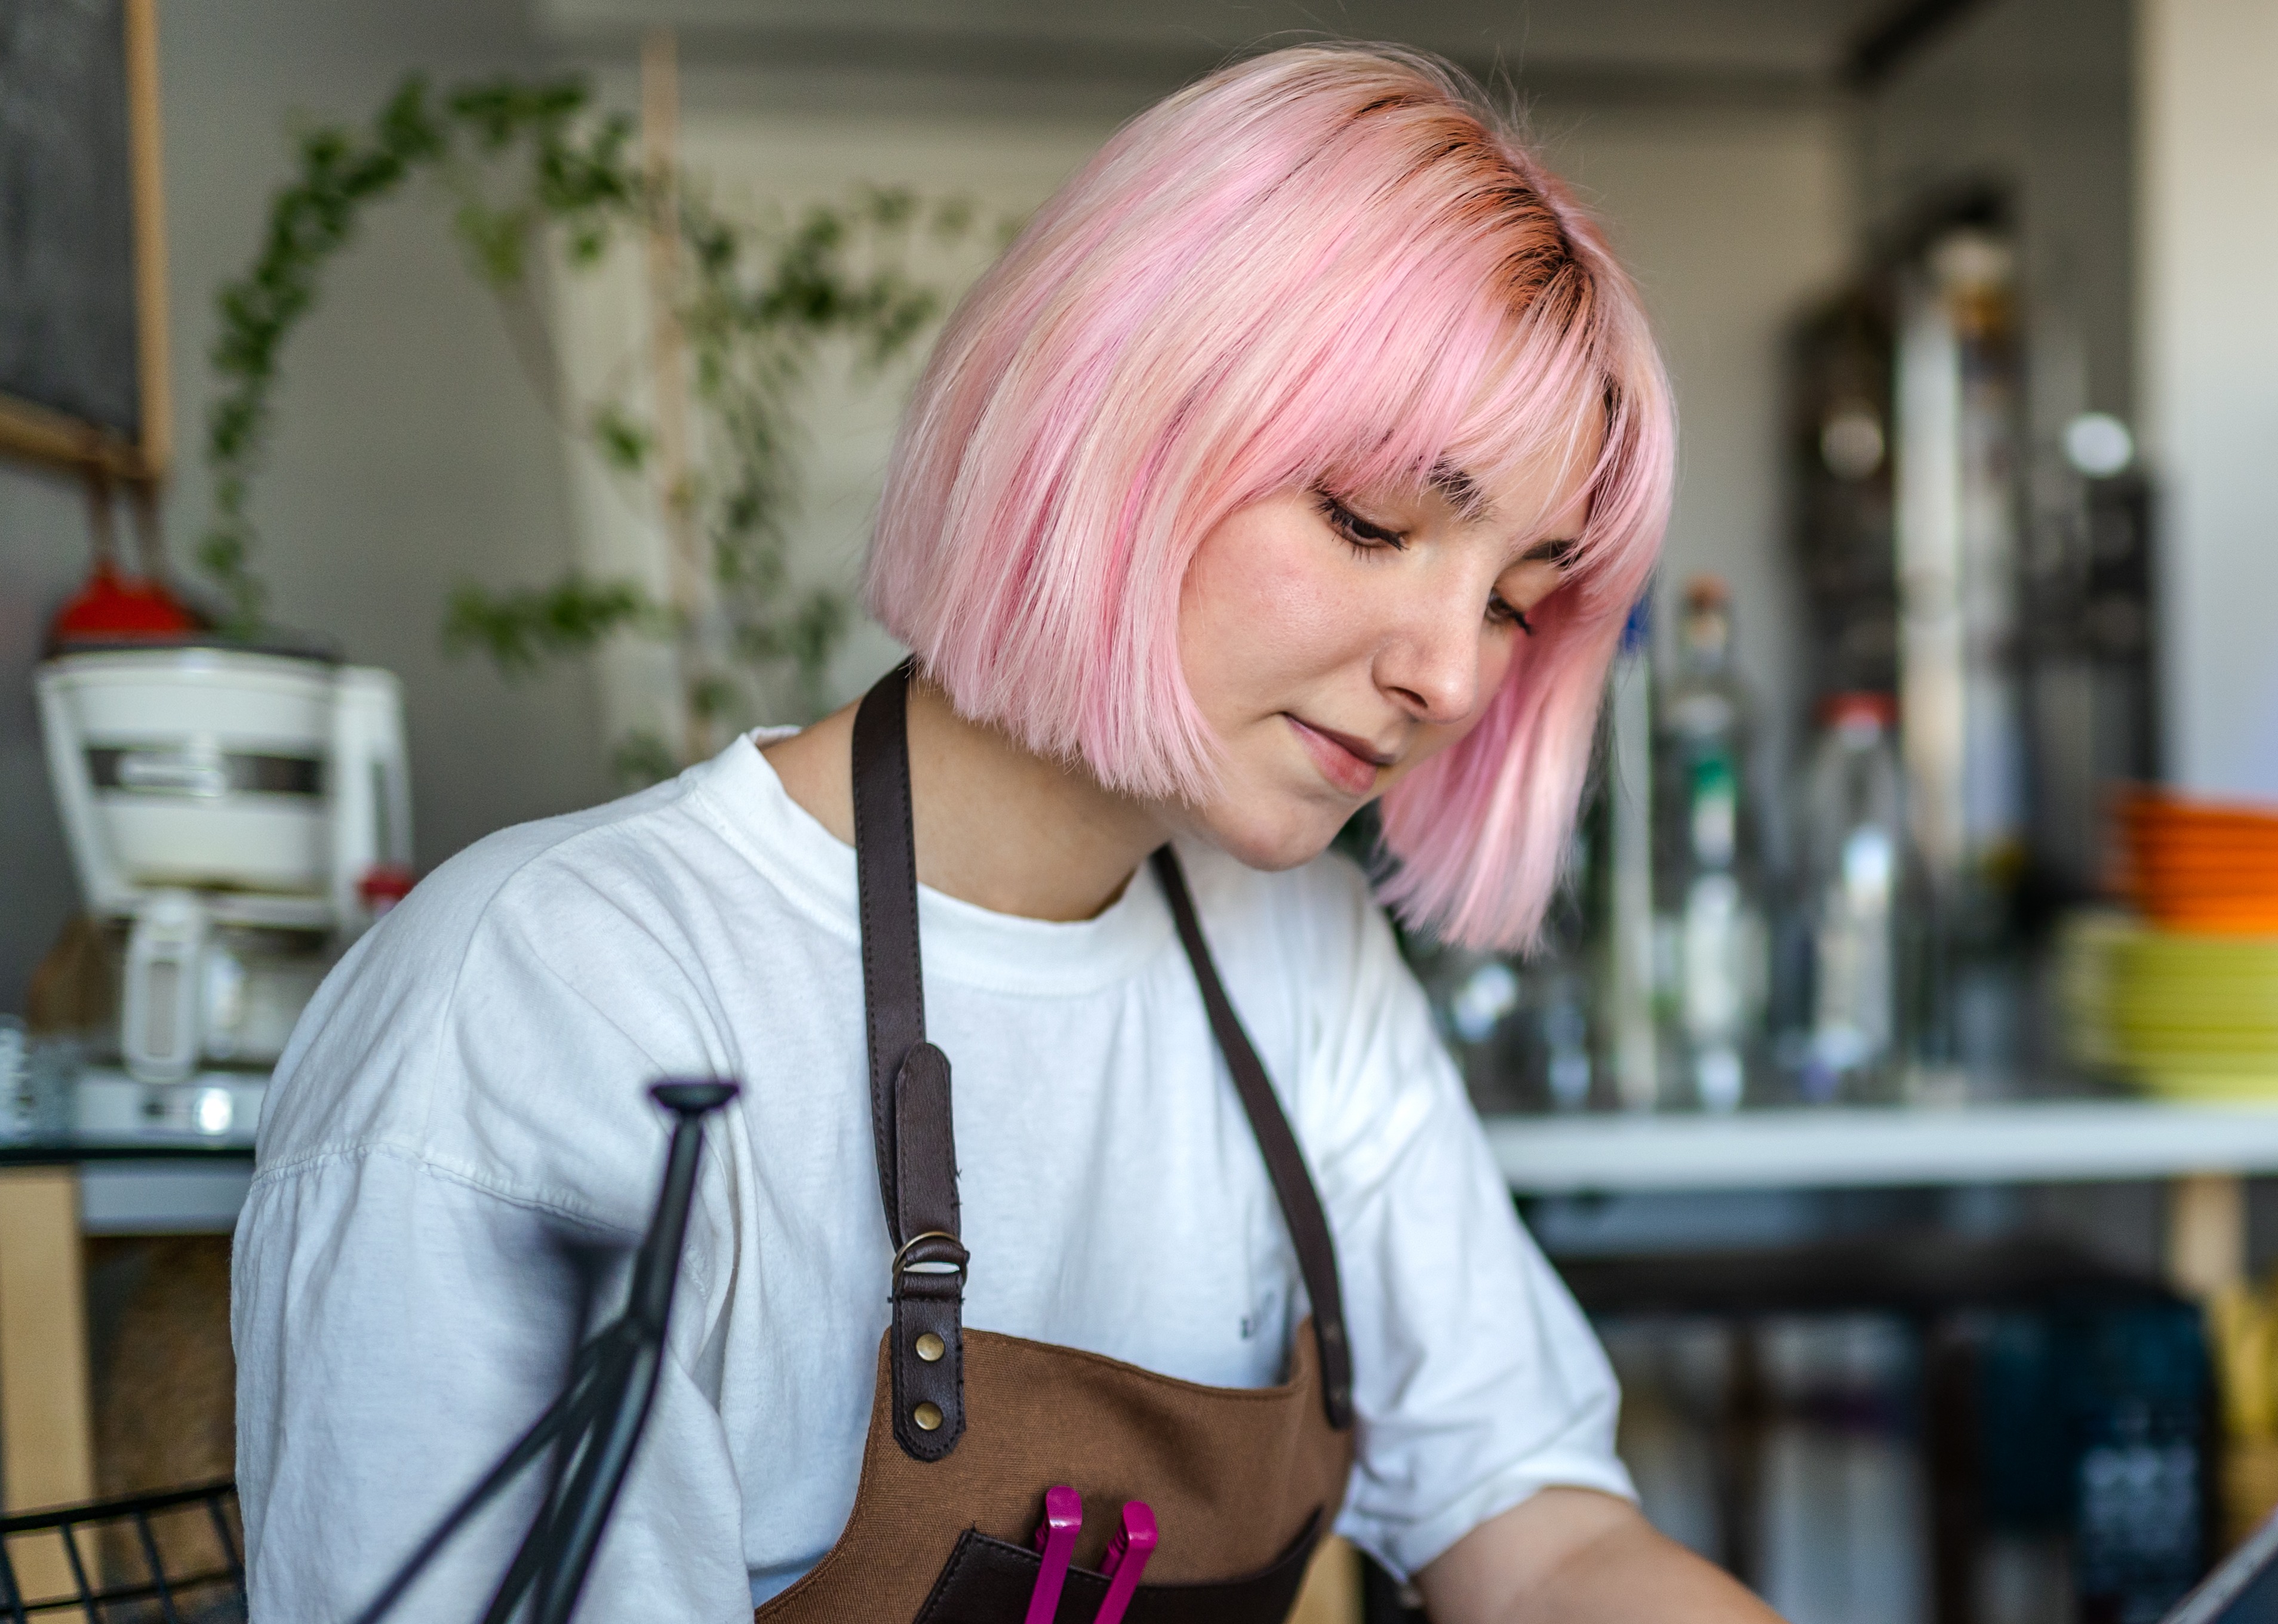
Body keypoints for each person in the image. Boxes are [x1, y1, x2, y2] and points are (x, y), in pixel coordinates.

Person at [232, 47, 1782, 1623]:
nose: (1452, 675)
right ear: (1114, 418)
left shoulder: (1306, 968)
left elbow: (1548, 1542)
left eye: (1515, 603)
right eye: (1372, 520)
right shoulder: (557, 997)